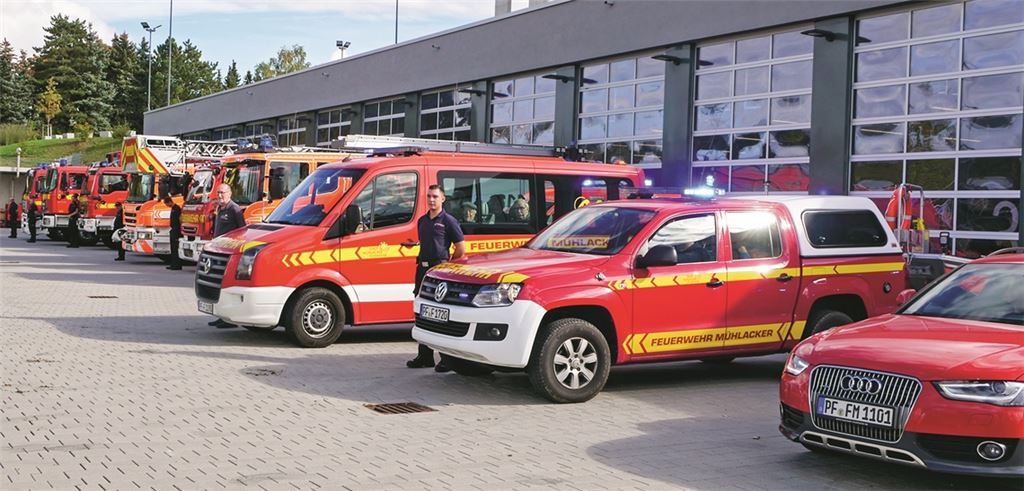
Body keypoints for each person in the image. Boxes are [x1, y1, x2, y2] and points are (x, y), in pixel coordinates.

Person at [407, 184, 465, 372]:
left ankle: (446, 359)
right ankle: (425, 356)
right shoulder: (422, 221)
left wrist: (447, 266)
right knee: (422, 311)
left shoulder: (449, 221)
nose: (431, 200)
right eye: (429, 196)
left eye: (435, 197)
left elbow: (461, 248)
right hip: (423, 271)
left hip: (439, 271)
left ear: (443, 199)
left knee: (441, 314)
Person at [208, 184, 247, 328]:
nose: (219, 195)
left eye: (222, 193)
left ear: (229, 193)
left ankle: (230, 320)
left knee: (226, 286)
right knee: (217, 285)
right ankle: (221, 316)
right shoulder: (220, 208)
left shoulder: (234, 209)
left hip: (228, 254)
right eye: (218, 192)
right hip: (218, 251)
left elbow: (242, 230)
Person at [165, 197, 183, 270]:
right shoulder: (173, 208)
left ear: (169, 202)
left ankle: (176, 265)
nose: (167, 205)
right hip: (173, 230)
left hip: (176, 230)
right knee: (172, 248)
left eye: (166, 204)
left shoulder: (177, 209)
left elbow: (179, 220)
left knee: (175, 248)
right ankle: (173, 264)